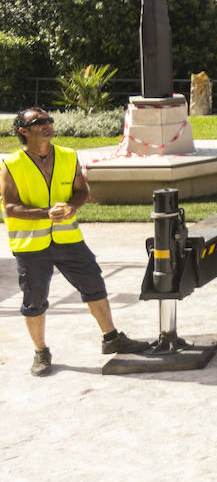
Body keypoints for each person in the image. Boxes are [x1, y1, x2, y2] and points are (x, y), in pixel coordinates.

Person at [4, 108, 148, 376]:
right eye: (39, 122)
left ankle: (111, 338)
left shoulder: (69, 157)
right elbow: (10, 207)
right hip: (31, 246)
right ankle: (41, 352)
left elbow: (82, 192)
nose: (48, 124)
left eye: (49, 120)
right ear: (23, 131)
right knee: (34, 300)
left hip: (69, 240)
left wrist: (72, 206)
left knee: (94, 284)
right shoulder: (11, 164)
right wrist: (45, 213)